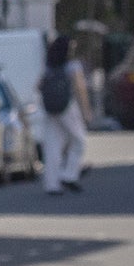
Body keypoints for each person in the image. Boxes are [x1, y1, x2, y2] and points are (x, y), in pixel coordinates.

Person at [38, 35, 92, 195]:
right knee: (79, 140)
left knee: (53, 145)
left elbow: (39, 85)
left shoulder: (49, 66)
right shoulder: (73, 66)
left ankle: (51, 184)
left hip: (50, 109)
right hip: (68, 107)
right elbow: (80, 89)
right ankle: (69, 174)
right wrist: (86, 111)